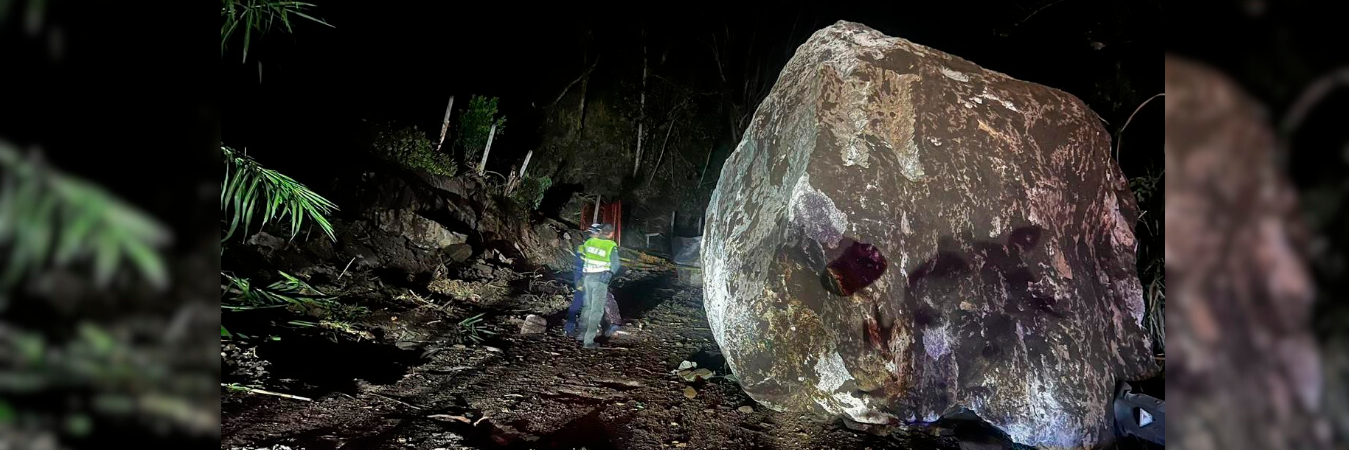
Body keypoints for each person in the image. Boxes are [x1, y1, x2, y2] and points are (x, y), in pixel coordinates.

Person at [576, 223, 620, 348]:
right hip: (600, 279)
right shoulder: (610, 245)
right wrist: (610, 274)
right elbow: (616, 264)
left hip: (587, 277)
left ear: (600, 231)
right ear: (611, 233)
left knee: (587, 307)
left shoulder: (589, 242)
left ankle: (581, 334)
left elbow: (582, 257)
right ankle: (588, 341)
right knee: (597, 310)